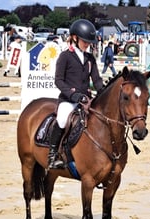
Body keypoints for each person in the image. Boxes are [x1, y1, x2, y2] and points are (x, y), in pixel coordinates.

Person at [49, 19, 104, 169]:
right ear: (74, 37)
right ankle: (53, 155)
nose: (87, 44)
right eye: (85, 41)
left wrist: (103, 92)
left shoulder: (90, 58)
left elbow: (97, 80)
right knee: (61, 119)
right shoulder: (65, 56)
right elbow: (59, 81)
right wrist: (72, 95)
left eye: (89, 42)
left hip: (86, 99)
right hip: (68, 99)